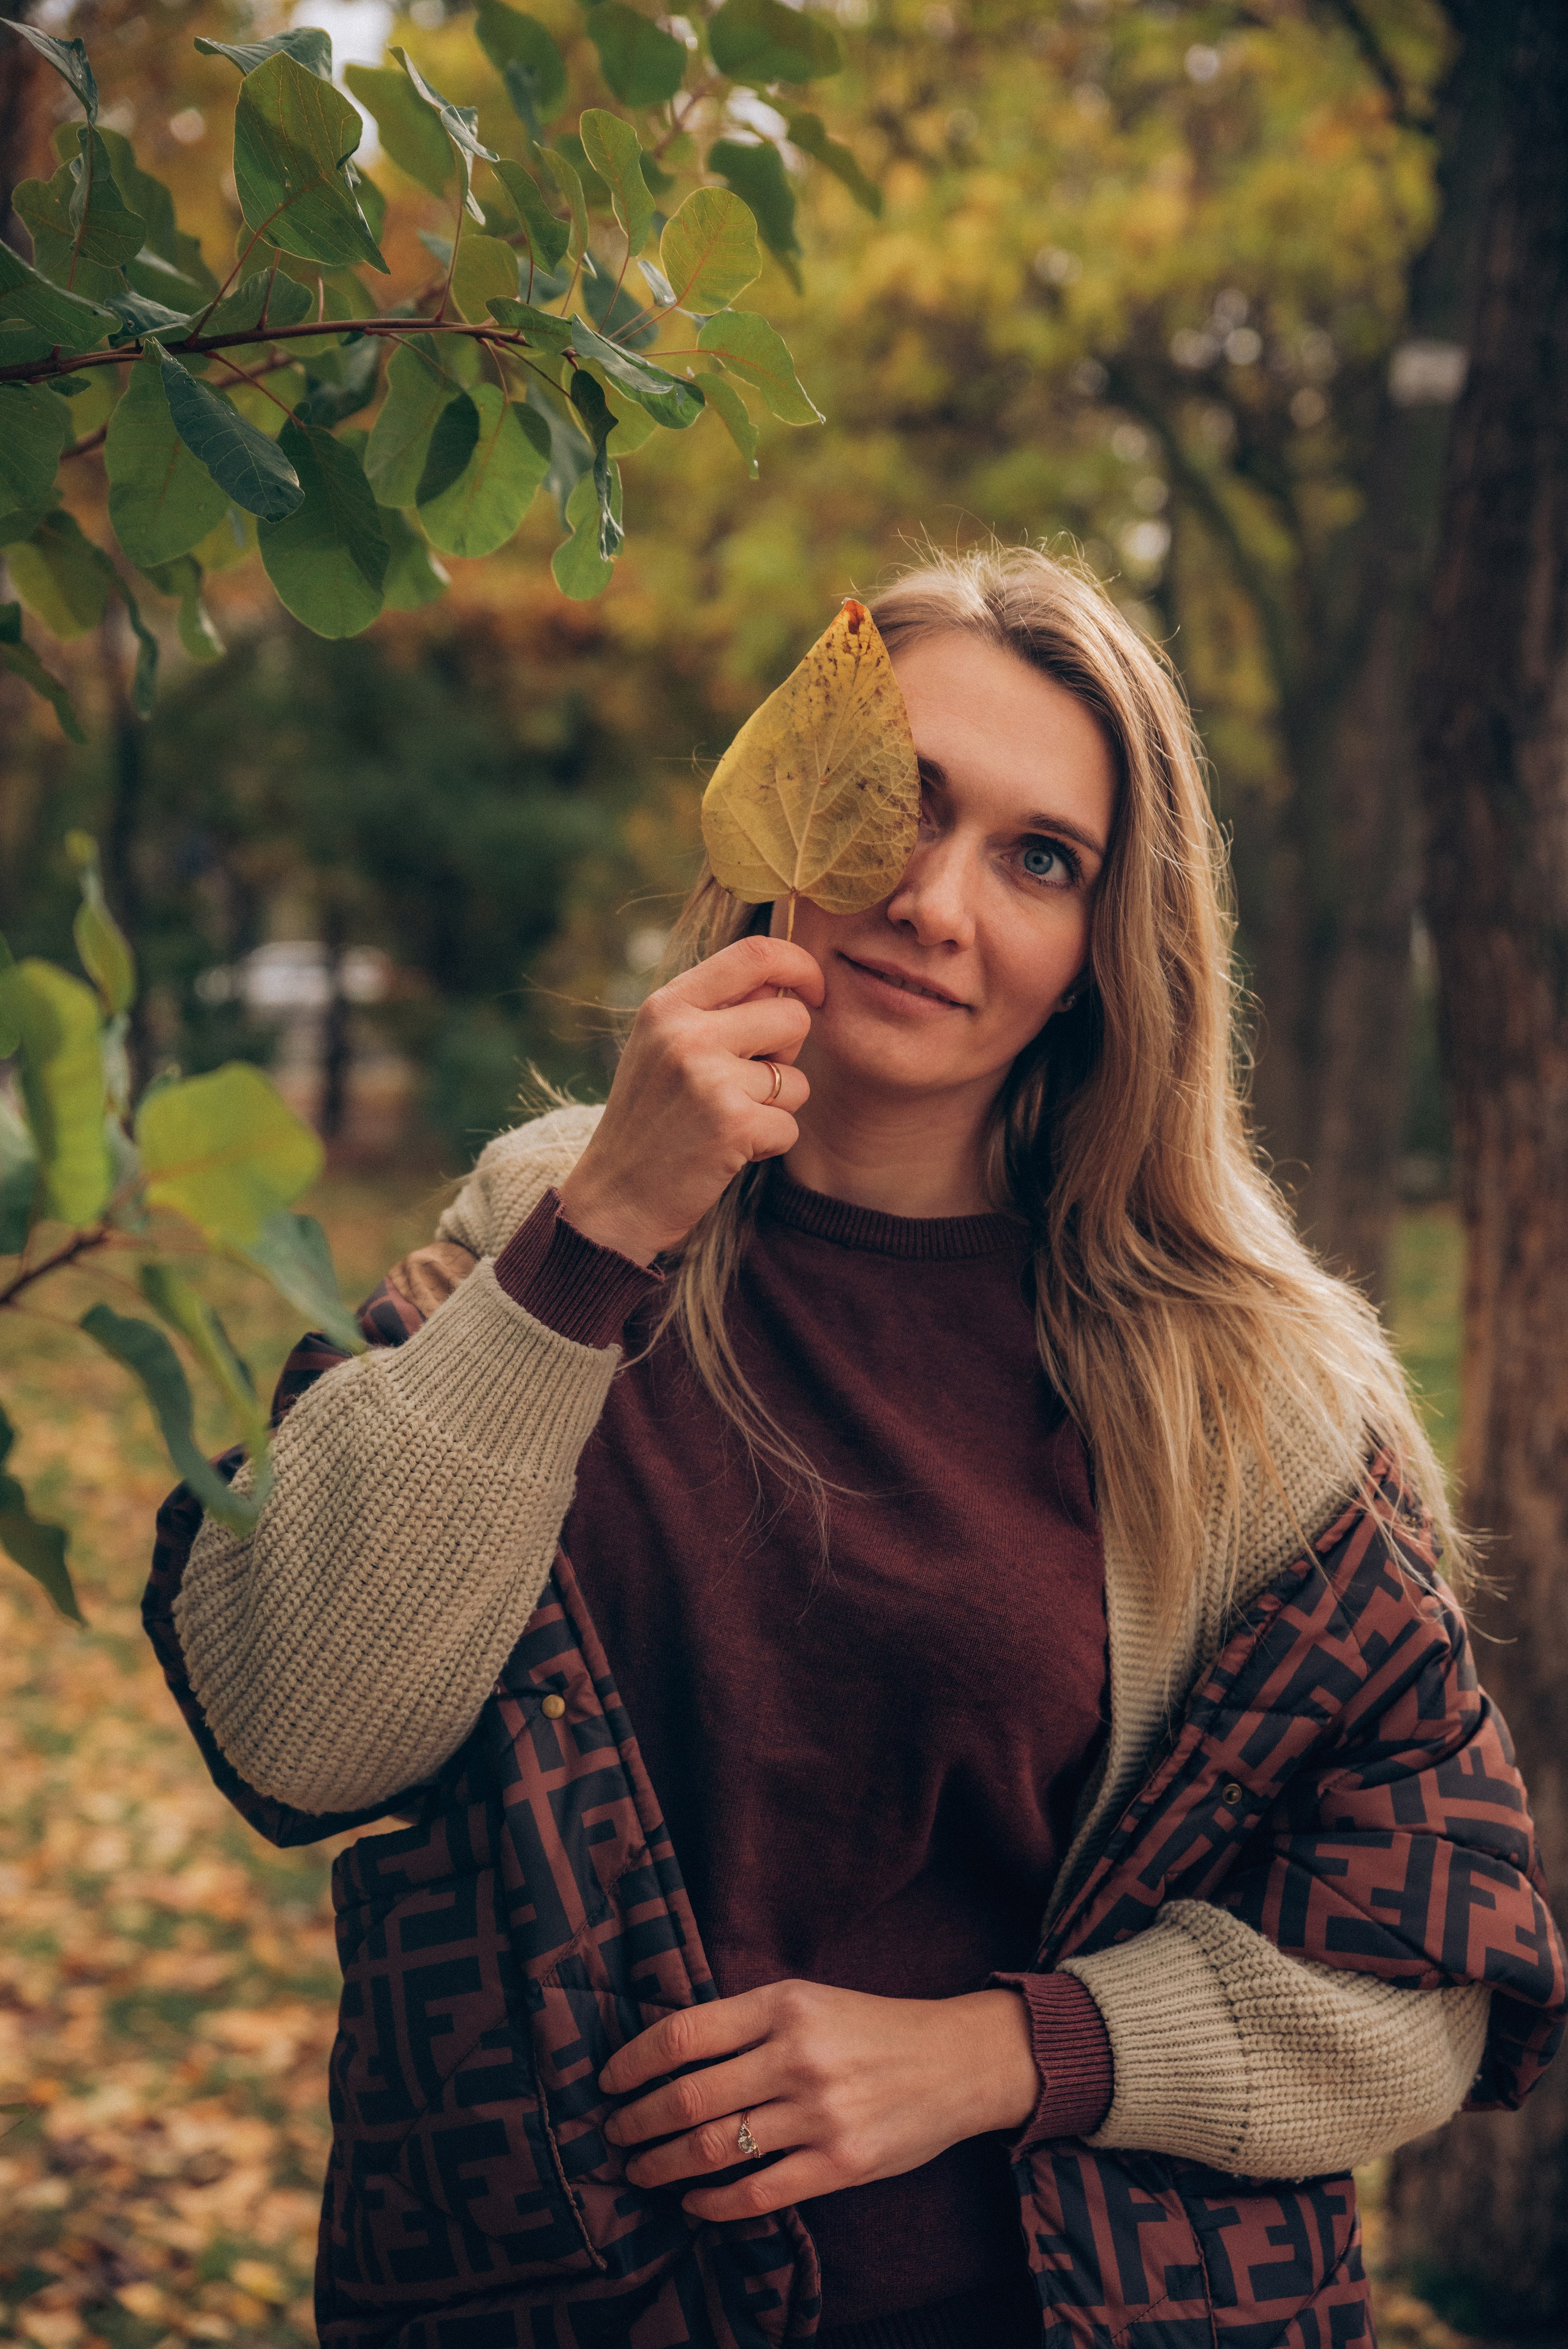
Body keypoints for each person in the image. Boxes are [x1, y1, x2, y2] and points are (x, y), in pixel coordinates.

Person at [145, 548, 1564, 2349]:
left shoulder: (1250, 1399)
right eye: (900, 799)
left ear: (1103, 957)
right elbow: (294, 1721)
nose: (938, 900)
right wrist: (600, 1234)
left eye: (1040, 858)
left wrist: (1004, 2051)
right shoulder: (539, 1219)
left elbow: (1434, 1979)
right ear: (789, 813)